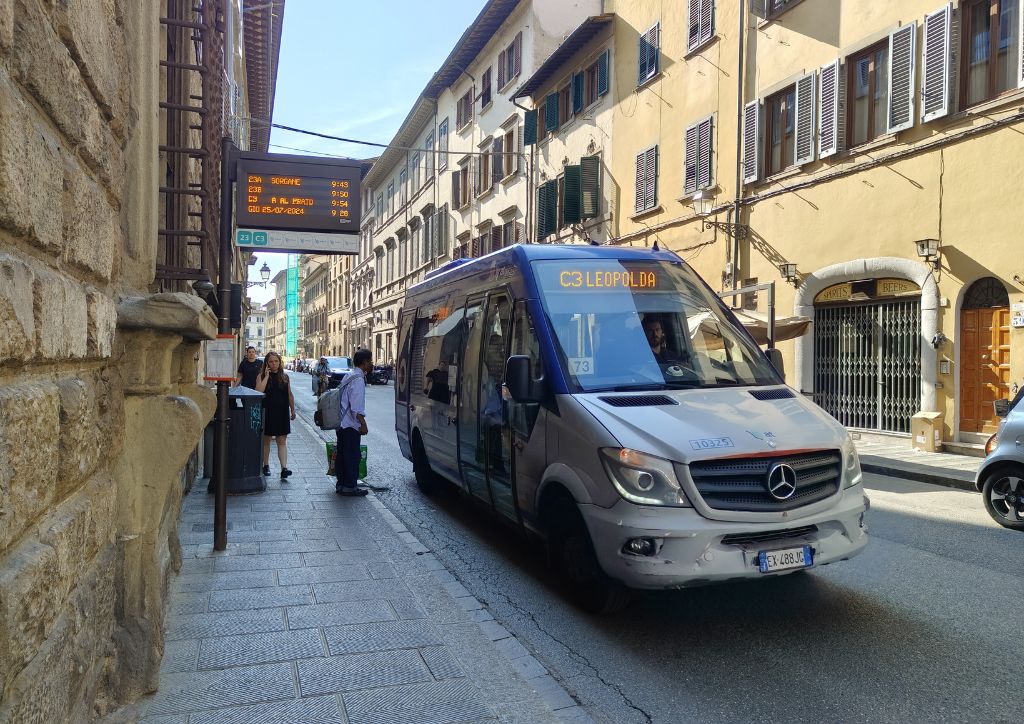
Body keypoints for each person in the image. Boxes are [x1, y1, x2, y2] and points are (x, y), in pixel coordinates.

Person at [335, 348, 372, 496]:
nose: (371, 363)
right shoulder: (358, 380)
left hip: (341, 423)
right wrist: (363, 424)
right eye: (370, 361)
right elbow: (356, 408)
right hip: (350, 424)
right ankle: (350, 486)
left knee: (343, 455)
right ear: (364, 363)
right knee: (352, 455)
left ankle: (342, 484)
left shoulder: (349, 375)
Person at [255, 351, 295, 479]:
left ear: (279, 362)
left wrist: (293, 410)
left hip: (282, 412)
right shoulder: (261, 376)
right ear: (266, 363)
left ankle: (284, 468)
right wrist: (266, 376)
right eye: (271, 361)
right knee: (266, 440)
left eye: (276, 361)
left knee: (282, 441)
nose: (274, 364)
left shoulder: (285, 376)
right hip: (267, 411)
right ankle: (265, 465)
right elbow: (258, 392)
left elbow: (289, 394)